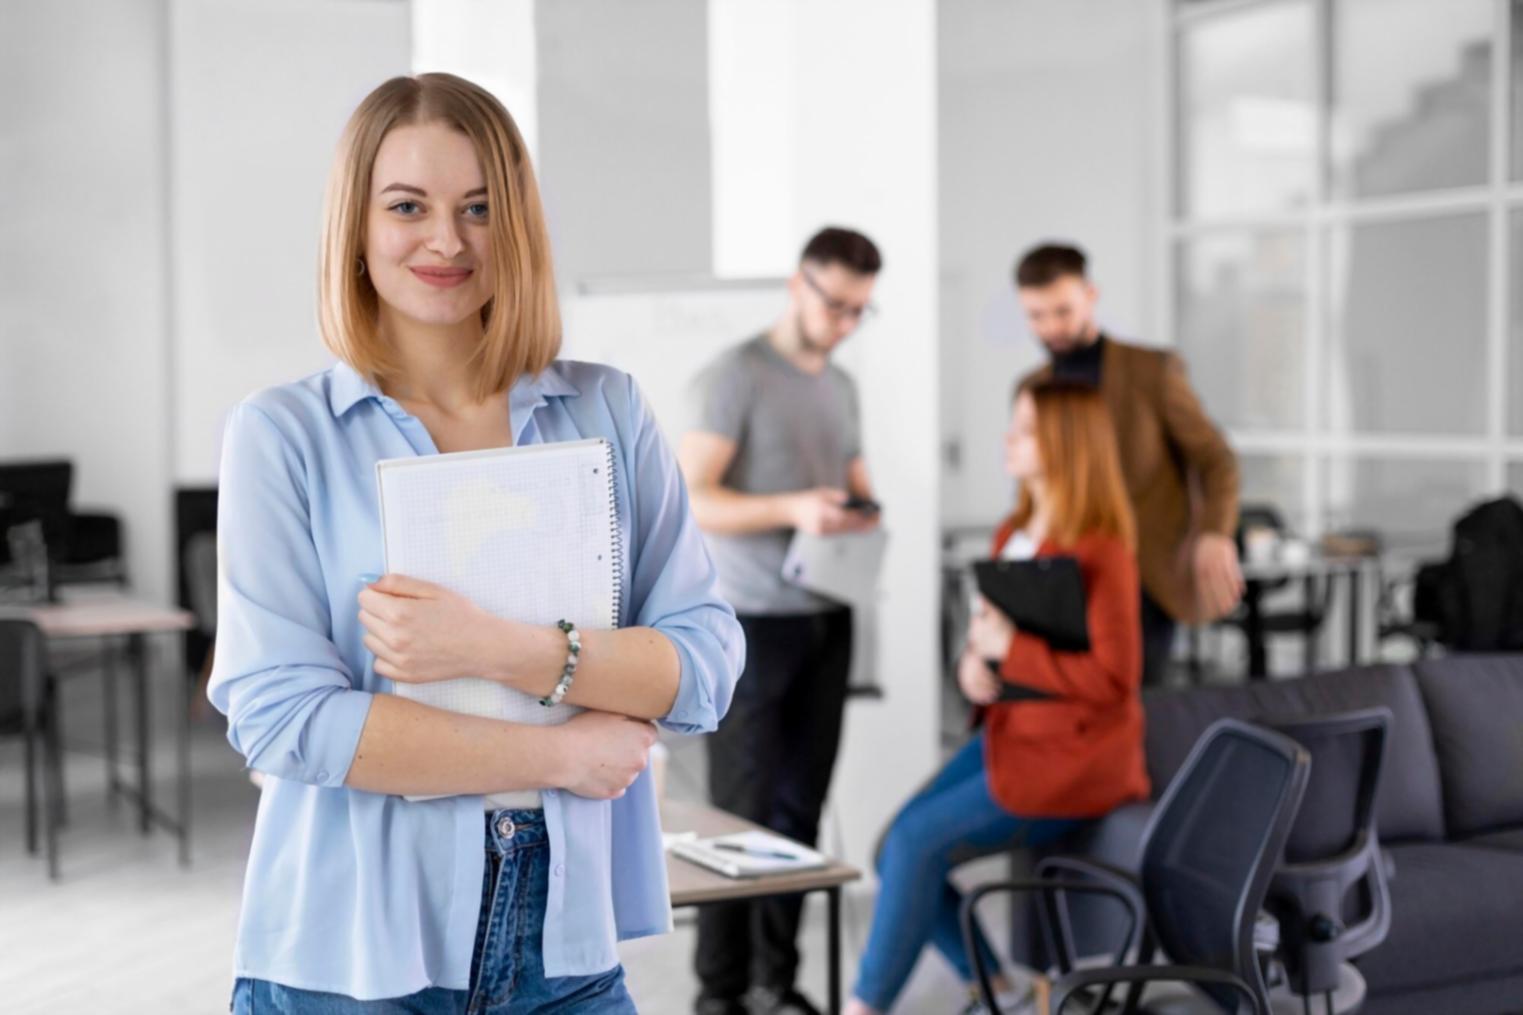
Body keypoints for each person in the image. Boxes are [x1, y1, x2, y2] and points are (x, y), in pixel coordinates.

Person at [208, 72, 744, 1014]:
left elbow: (702, 663)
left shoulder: (604, 410)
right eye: (408, 206)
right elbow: (283, 716)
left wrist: (499, 649)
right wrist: (559, 755)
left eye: (479, 208)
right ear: (358, 228)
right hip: (347, 959)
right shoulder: (283, 433)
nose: (446, 240)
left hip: (565, 954)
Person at [846, 378, 1149, 1015]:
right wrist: (971, 663)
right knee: (892, 848)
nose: (1009, 439)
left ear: (1067, 446)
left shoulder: (1103, 550)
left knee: (910, 847)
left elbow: (1115, 679)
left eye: (1027, 429)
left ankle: (864, 1007)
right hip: (1011, 736)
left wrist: (1012, 650)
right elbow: (992, 633)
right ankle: (1000, 992)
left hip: (1074, 757)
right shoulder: (1015, 528)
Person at [677, 226, 883, 1015]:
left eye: (860, 310)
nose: (843, 322)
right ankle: (718, 993)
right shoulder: (734, 377)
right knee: (739, 814)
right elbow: (694, 497)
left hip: (826, 614)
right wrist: (792, 506)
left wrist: (856, 508)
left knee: (798, 809)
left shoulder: (841, 386)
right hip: (748, 625)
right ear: (798, 284)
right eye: (834, 303)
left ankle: (775, 981)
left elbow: (853, 478)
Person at [1014, 242, 1243, 685]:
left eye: (1062, 311)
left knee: (1133, 712)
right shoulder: (1030, 388)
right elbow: (1031, 489)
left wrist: (1214, 532)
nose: (1050, 327)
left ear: (1091, 295)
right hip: (1062, 577)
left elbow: (1216, 459)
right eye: (1035, 316)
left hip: (1144, 580)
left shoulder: (1151, 372)